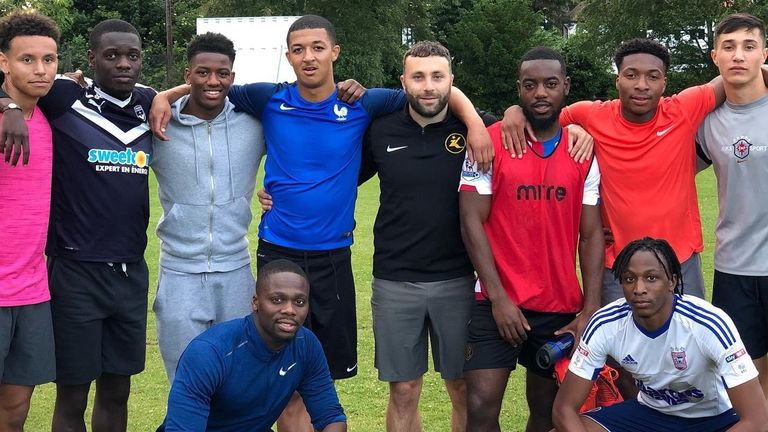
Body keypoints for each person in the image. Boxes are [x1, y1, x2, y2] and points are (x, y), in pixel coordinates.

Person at [149, 14, 492, 431]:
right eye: (298, 49)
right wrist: (163, 96)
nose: (308, 57)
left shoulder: (363, 102)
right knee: (281, 381)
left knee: (321, 376)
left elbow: (432, 90)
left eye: (317, 48)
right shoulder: (267, 98)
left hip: (334, 256)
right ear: (288, 56)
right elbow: (210, 84)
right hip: (279, 252)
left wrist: (475, 122)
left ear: (335, 51)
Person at [0, 18, 155, 431]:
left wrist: (166, 95)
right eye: (111, 55)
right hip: (73, 271)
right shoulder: (63, 98)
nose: (123, 63)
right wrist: (8, 105)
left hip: (129, 272)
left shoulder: (148, 104)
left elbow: (201, 91)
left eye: (132, 56)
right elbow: (14, 77)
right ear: (91, 59)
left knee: (117, 390)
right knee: (72, 392)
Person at [459, 47, 604, 432]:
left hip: (559, 309)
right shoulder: (488, 143)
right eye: (530, 85)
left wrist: (589, 309)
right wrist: (500, 298)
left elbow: (590, 235)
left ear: (565, 88)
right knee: (480, 409)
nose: (540, 93)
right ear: (519, 89)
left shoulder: (583, 152)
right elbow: (471, 222)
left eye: (550, 84)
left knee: (548, 414)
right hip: (494, 303)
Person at [357, 41, 495, 432]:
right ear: (404, 82)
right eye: (418, 77)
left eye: (437, 76)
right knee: (403, 388)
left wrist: (574, 128)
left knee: (462, 387)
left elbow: (530, 126)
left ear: (452, 80)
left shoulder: (474, 129)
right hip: (394, 279)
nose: (428, 86)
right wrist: (276, 194)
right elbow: (338, 177)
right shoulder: (380, 129)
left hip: (459, 280)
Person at [552, 237, 768, 432]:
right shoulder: (605, 324)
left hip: (715, 419)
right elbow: (564, 409)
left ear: (671, 281)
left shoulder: (709, 324)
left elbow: (757, 420)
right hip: (650, 414)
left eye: (651, 278)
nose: (639, 288)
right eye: (629, 279)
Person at [150, 32, 265, 382]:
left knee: (239, 383)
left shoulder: (254, 122)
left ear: (232, 76)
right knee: (187, 384)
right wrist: (162, 96)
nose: (213, 81)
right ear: (188, 76)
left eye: (222, 73)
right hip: (179, 274)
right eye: (202, 73)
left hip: (236, 274)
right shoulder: (158, 123)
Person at [160, 259, 347, 432]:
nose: (290, 310)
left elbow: (330, 417)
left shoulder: (306, 345)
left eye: (299, 301)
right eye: (277, 300)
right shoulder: (209, 353)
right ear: (255, 303)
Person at [696, 13, 768, 398]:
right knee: (746, 384)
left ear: (763, 55)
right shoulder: (706, 124)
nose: (738, 55)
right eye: (729, 47)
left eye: (749, 46)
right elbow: (659, 167)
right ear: (715, 58)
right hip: (734, 270)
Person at [0, 11, 59, 432]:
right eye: (27, 60)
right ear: (3, 62)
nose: (40, 70)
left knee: (16, 405)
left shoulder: (52, 115)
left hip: (32, 288)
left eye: (49, 59)